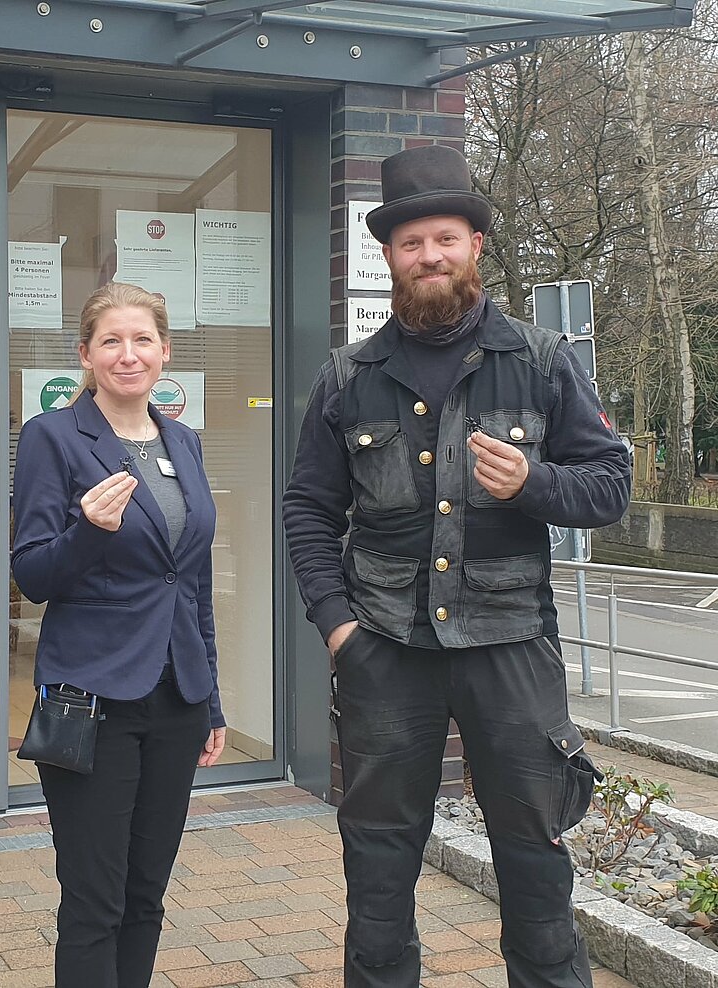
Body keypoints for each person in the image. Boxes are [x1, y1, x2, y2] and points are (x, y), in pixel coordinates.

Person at [283, 145, 631, 988]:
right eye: (411, 243)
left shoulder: (542, 363)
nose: (429, 255)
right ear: (390, 257)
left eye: (445, 237)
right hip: (384, 651)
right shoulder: (349, 377)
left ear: (475, 244)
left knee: (537, 866)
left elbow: (611, 484)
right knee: (376, 867)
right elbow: (307, 511)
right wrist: (338, 629)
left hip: (512, 646)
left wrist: (534, 482)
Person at [11, 281, 225, 988]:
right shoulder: (53, 437)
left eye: (142, 340)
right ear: (86, 352)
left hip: (175, 699)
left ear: (165, 352)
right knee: (94, 902)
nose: (127, 355)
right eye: (111, 341)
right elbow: (33, 574)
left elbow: (191, 582)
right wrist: (87, 531)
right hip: (92, 699)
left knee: (145, 897)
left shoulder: (184, 441)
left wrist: (212, 699)